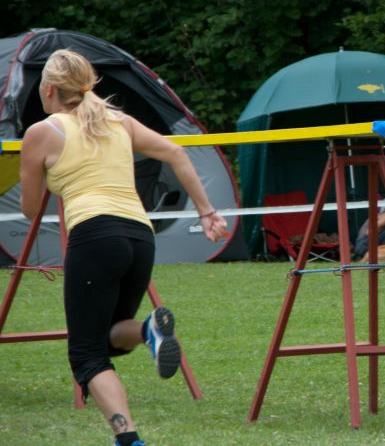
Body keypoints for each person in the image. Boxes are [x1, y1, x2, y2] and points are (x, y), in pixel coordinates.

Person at [18, 49, 228, 446]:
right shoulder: (118, 121)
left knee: (85, 354)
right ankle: (150, 330)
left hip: (94, 235)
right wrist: (206, 212)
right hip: (139, 236)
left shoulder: (42, 132)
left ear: (47, 89)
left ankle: (128, 438)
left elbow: (30, 208)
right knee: (112, 336)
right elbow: (176, 151)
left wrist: (44, 169)